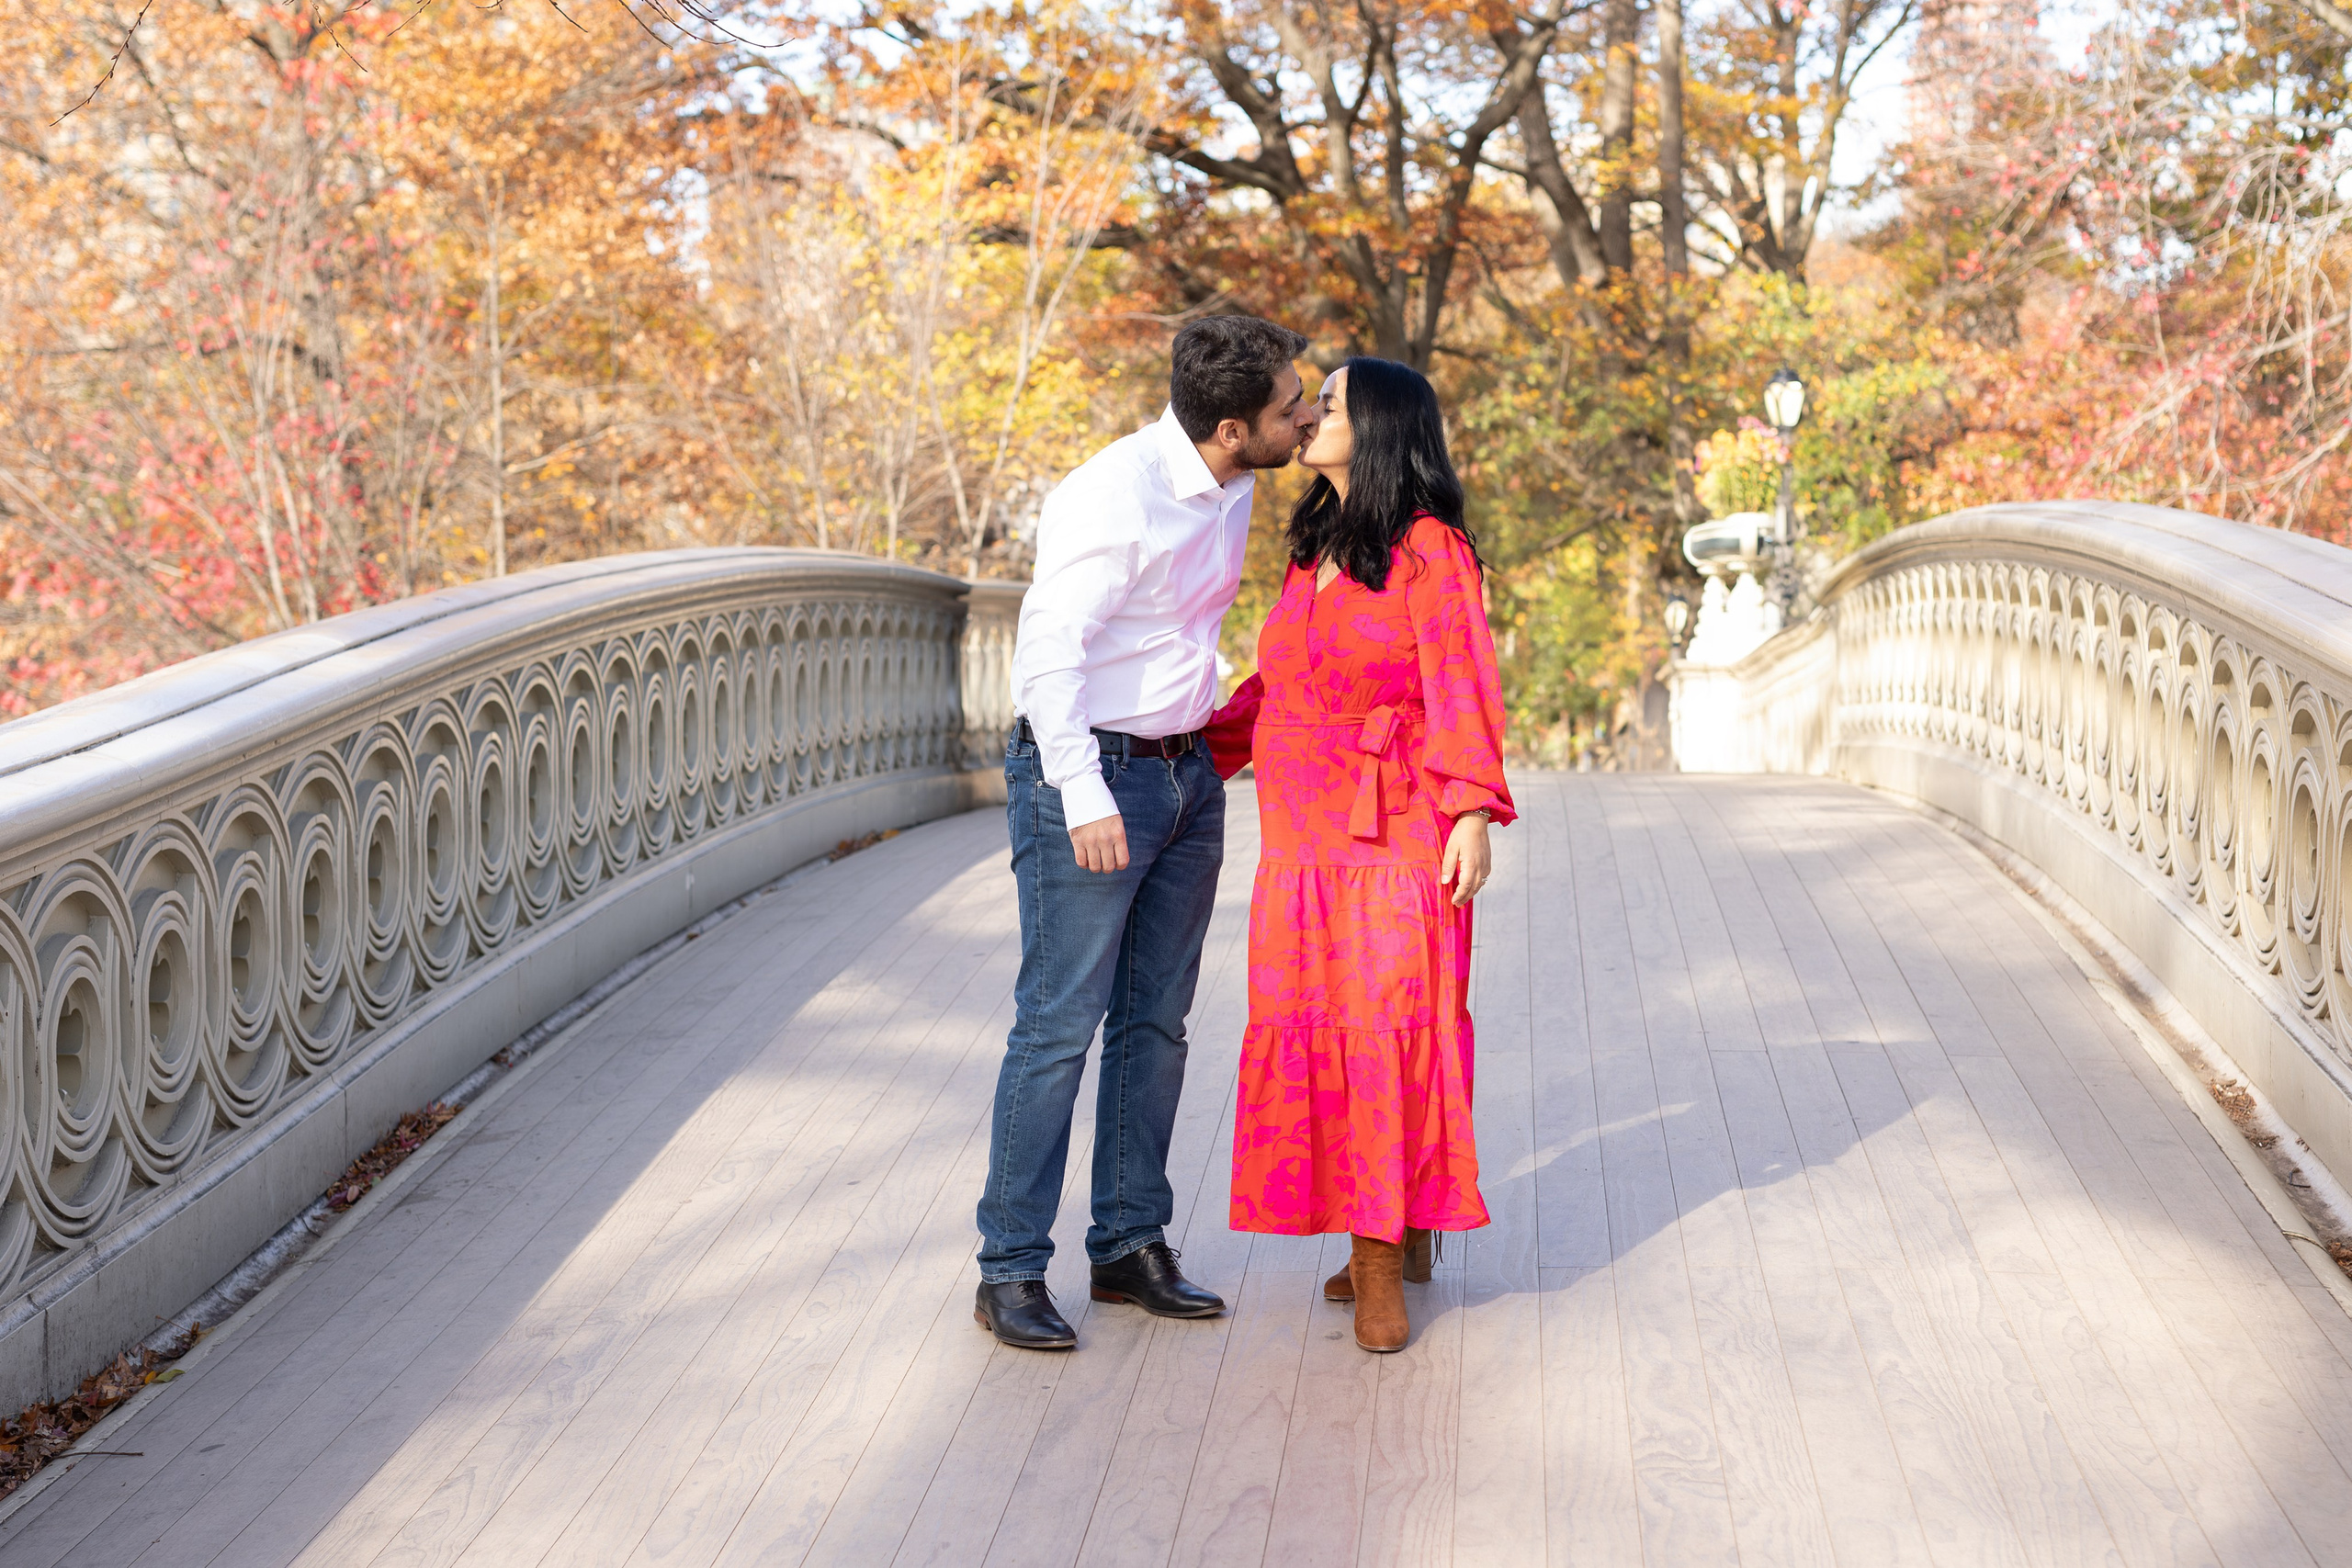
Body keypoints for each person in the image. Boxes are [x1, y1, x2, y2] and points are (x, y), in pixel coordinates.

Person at [974, 315, 1318, 1350]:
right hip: (1095, 778)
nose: (1305, 419)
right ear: (1229, 427)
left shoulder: (1237, 481)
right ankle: (1008, 1271)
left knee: (1155, 1025)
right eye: (1290, 409)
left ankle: (1127, 1245)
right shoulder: (1110, 496)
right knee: (1056, 1028)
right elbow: (1046, 661)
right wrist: (1080, 796)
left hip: (1187, 777)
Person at [1203, 356, 1513, 1353]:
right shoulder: (1314, 548)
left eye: (1325, 405)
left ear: (1377, 428)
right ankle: (1392, 1224)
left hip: (1393, 833)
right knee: (1316, 1024)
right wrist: (1187, 744)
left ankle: (1381, 1256)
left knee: (1385, 1029)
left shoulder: (1431, 549)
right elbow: (1283, 685)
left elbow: (1462, 678)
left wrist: (1469, 811)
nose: (1305, 418)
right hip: (1298, 842)